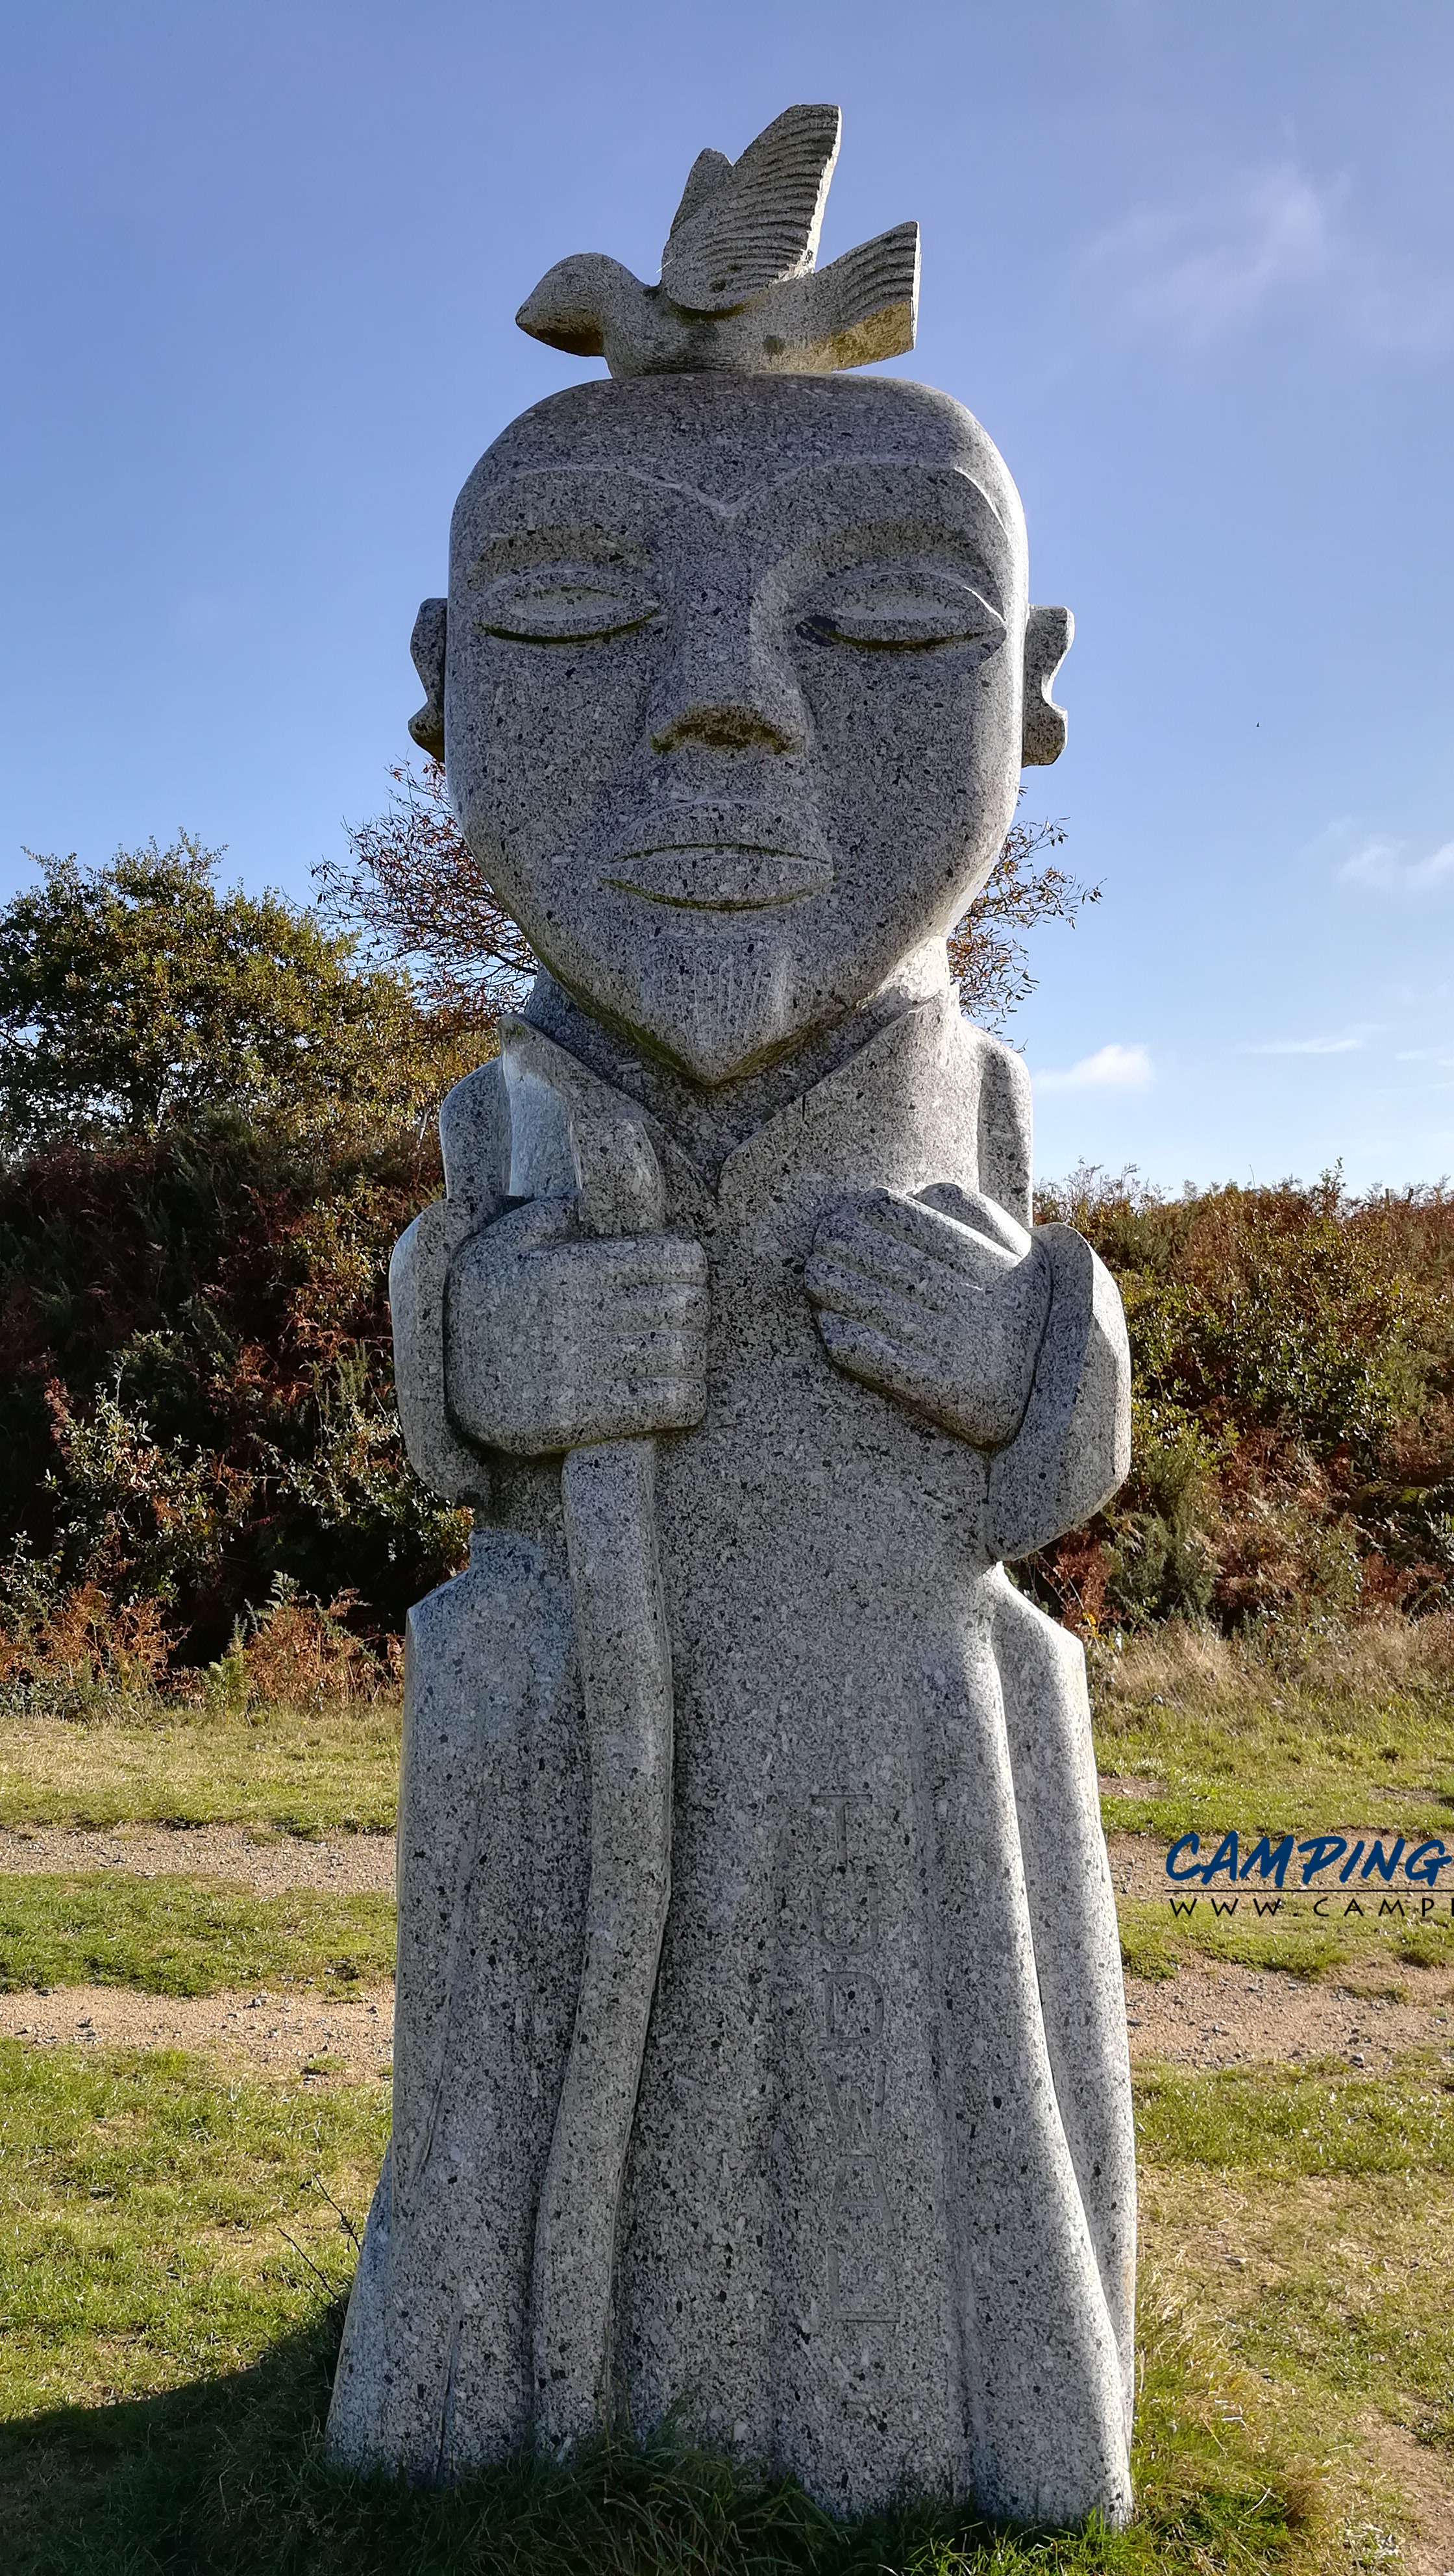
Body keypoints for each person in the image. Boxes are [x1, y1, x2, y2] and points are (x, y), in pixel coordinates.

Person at [328, 117, 1135, 2534]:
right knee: (516, 2108)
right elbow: (436, 1382)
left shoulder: (961, 1091)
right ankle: (499, 2421)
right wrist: (480, 1353)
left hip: (897, 1730)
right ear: (448, 694)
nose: (732, 714)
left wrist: (1027, 1373)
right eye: (583, 628)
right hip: (558, 1711)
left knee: (912, 2135)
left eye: (885, 630)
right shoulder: (517, 1100)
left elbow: (1065, 1442)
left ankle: (941, 2431)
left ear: (1034, 696)